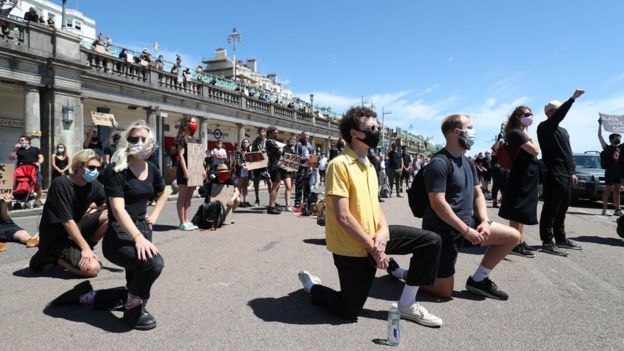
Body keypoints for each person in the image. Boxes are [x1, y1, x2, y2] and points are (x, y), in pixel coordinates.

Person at [298, 106, 443, 327]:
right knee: (349, 310)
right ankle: (312, 287)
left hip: (376, 236)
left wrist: (383, 233)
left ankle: (408, 303)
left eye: (378, 127)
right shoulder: (339, 165)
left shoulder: (370, 166)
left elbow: (375, 207)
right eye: (372, 127)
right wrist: (374, 248)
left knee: (431, 241)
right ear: (354, 133)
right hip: (352, 245)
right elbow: (343, 216)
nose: (377, 131)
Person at [49, 120, 169, 331]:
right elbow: (118, 209)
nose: (139, 143)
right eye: (133, 139)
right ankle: (133, 309)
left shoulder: (152, 169)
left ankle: (88, 296)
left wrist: (155, 215)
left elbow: (164, 192)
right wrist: (138, 237)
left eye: (143, 139)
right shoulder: (117, 169)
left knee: (135, 278)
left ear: (151, 143)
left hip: (143, 229)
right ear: (126, 141)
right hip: (120, 234)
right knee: (153, 265)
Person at [422, 113, 521, 300]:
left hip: (468, 224)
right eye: (469, 128)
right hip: (444, 231)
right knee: (444, 292)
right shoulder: (439, 163)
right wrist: (466, 230)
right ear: (454, 132)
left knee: (513, 236)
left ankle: (478, 280)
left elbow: (478, 194)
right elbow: (438, 204)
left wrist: (484, 220)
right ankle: (404, 273)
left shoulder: (467, 161)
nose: (473, 132)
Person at [29, 149, 108, 277]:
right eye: (92, 167)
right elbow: (67, 221)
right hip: (55, 237)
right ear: (78, 166)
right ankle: (48, 256)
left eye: (99, 168)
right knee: (93, 269)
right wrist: (85, 248)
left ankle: (85, 249)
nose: (96, 172)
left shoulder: (94, 184)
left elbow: (108, 203)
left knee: (111, 215)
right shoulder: (60, 184)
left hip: (76, 229)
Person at [537, 89, 585, 256]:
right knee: (551, 207)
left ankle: (561, 238)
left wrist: (572, 171)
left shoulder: (563, 131)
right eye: (556, 111)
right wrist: (572, 99)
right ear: (550, 113)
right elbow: (559, 116)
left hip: (566, 174)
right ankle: (547, 241)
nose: (558, 113)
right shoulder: (544, 127)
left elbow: (568, 152)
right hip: (553, 173)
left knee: (563, 207)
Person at [498, 106, 541, 258]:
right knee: (517, 211)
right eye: (527, 114)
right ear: (518, 116)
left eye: (532, 114)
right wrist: (531, 140)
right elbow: (535, 151)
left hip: (525, 175)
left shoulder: (521, 133)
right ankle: (514, 243)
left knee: (522, 210)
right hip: (521, 175)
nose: (531, 117)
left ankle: (519, 240)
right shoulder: (516, 133)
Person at [176, 117, 201, 231]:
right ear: (187, 124)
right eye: (192, 122)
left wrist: (202, 170)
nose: (194, 124)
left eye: (196, 122)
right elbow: (181, 155)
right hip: (184, 170)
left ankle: (187, 221)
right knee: (182, 197)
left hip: (194, 171)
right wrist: (185, 171)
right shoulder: (182, 138)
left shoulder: (194, 139)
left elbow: (198, 157)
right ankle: (182, 222)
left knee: (189, 197)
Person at [9, 135, 44, 206]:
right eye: (19, 140)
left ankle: (37, 200)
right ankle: (21, 200)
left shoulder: (35, 149)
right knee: (19, 186)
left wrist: (38, 162)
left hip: (34, 170)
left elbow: (41, 158)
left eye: (22, 140)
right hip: (21, 172)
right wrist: (15, 149)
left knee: (39, 185)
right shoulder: (18, 150)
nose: (20, 142)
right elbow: (11, 157)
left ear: (28, 141)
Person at [597, 117, 622, 216]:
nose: (619, 138)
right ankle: (605, 209)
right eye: (617, 137)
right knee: (607, 190)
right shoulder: (606, 147)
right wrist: (600, 124)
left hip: (618, 172)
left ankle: (617, 210)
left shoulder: (621, 148)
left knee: (617, 191)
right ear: (612, 139)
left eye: (619, 137)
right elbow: (599, 136)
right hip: (610, 172)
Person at [251, 127, 271, 206]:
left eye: (263, 131)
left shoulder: (268, 141)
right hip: (258, 164)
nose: (261, 133)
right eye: (260, 131)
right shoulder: (255, 141)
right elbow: (252, 152)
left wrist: (266, 151)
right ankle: (257, 199)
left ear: (265, 133)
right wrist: (258, 152)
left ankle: (271, 200)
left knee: (269, 181)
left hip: (266, 164)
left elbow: (271, 151)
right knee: (256, 182)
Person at [265, 126, 283, 215]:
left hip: (276, 165)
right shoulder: (270, 141)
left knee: (277, 184)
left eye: (277, 132)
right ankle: (271, 206)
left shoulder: (272, 142)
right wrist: (283, 149)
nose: (276, 134)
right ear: (270, 133)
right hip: (274, 165)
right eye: (275, 132)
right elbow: (280, 151)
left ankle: (273, 204)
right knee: (275, 185)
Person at [294, 131, 313, 210]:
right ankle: (297, 202)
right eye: (304, 134)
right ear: (301, 135)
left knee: (307, 184)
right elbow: (296, 156)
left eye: (307, 134)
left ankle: (306, 200)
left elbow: (311, 154)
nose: (306, 136)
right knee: (299, 184)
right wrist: (305, 158)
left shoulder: (309, 144)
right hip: (301, 166)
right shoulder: (298, 144)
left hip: (308, 166)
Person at [235, 139, 252, 207]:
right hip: (241, 170)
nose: (245, 143)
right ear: (242, 144)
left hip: (248, 170)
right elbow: (238, 161)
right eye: (244, 142)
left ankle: (246, 200)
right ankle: (240, 201)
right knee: (239, 186)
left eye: (247, 142)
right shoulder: (239, 151)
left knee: (245, 186)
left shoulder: (249, 151)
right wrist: (243, 166)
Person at [282, 137, 297, 211]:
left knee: (290, 188)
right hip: (286, 170)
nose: (292, 142)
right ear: (287, 142)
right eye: (290, 141)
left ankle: (289, 204)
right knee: (288, 187)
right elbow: (282, 157)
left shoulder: (295, 149)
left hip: (293, 170)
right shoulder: (284, 149)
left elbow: (297, 159)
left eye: (293, 141)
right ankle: (287, 205)